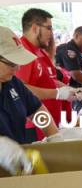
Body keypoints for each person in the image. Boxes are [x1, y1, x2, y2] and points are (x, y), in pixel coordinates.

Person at [15, 8, 77, 141]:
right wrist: (57, 93)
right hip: (34, 125)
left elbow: (50, 80)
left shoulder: (40, 52)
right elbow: (21, 88)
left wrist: (73, 91)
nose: (52, 33)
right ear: (35, 28)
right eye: (49, 28)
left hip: (49, 122)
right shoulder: (23, 52)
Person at [0, 26, 58, 144]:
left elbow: (36, 110)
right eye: (11, 63)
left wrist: (53, 136)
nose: (17, 68)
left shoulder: (13, 83)